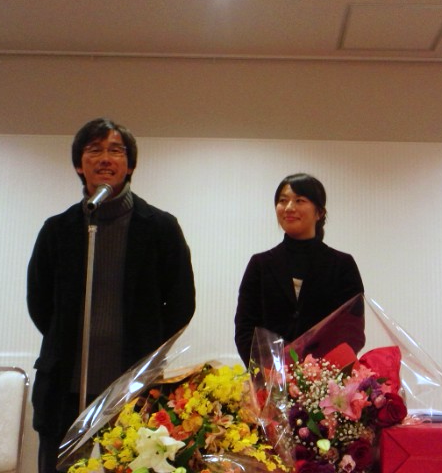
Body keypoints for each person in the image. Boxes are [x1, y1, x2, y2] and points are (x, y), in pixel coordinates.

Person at [27, 118, 195, 473]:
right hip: (64, 389)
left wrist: (147, 349)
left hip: (133, 389)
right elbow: (39, 303)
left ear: (129, 165)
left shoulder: (160, 227)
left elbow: (181, 304)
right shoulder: (57, 230)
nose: (105, 158)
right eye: (94, 150)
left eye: (115, 150)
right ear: (79, 164)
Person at [234, 173, 365, 366]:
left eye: (299, 200)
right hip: (271, 375)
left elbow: (351, 330)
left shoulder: (342, 264)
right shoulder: (260, 264)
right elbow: (245, 329)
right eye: (282, 201)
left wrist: (319, 373)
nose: (289, 207)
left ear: (319, 212)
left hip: (326, 376)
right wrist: (269, 371)